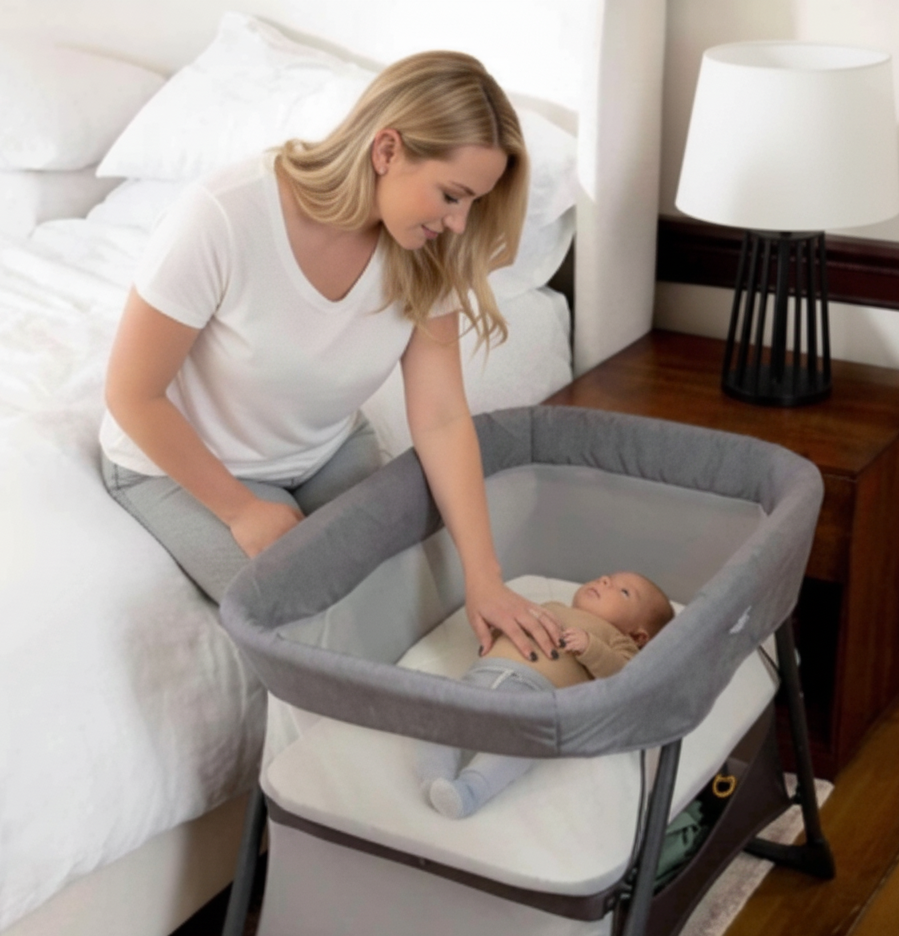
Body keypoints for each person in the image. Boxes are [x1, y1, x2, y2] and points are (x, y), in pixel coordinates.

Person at [99, 50, 562, 660]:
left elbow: (442, 416)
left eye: (473, 202)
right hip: (187, 467)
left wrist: (485, 576)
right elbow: (132, 394)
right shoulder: (226, 215)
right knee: (317, 638)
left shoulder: (428, 249)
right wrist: (242, 511)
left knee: (423, 595)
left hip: (324, 451)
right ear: (387, 150)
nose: (459, 223)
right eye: (452, 195)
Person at [417, 571, 675, 819]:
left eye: (624, 591)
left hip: (534, 697)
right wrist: (496, 627)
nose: (605, 580)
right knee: (443, 719)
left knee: (520, 746)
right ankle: (435, 777)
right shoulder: (552, 607)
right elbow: (514, 620)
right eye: (608, 578)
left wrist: (591, 647)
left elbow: (623, 679)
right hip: (480, 676)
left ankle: (468, 792)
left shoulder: (619, 641)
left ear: (638, 635)